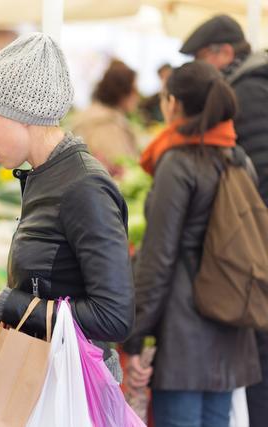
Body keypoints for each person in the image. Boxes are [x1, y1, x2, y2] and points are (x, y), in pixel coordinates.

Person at [0, 33, 135, 381]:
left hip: (74, 385)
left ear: (21, 113)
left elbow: (114, 317)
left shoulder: (83, 186)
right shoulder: (45, 174)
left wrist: (7, 303)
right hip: (47, 373)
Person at [122, 61, 261, 427]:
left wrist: (135, 338)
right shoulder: (239, 159)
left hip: (185, 337)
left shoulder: (178, 163)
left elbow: (157, 258)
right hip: (230, 326)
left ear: (173, 104)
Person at [179, 18, 268, 424]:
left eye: (202, 60)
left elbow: (258, 178)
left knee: (261, 363)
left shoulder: (248, 91)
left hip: (256, 250)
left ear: (224, 53)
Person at [71, 59, 140, 173]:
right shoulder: (106, 124)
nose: (137, 95)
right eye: (134, 89)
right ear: (122, 92)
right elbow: (119, 169)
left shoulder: (96, 115)